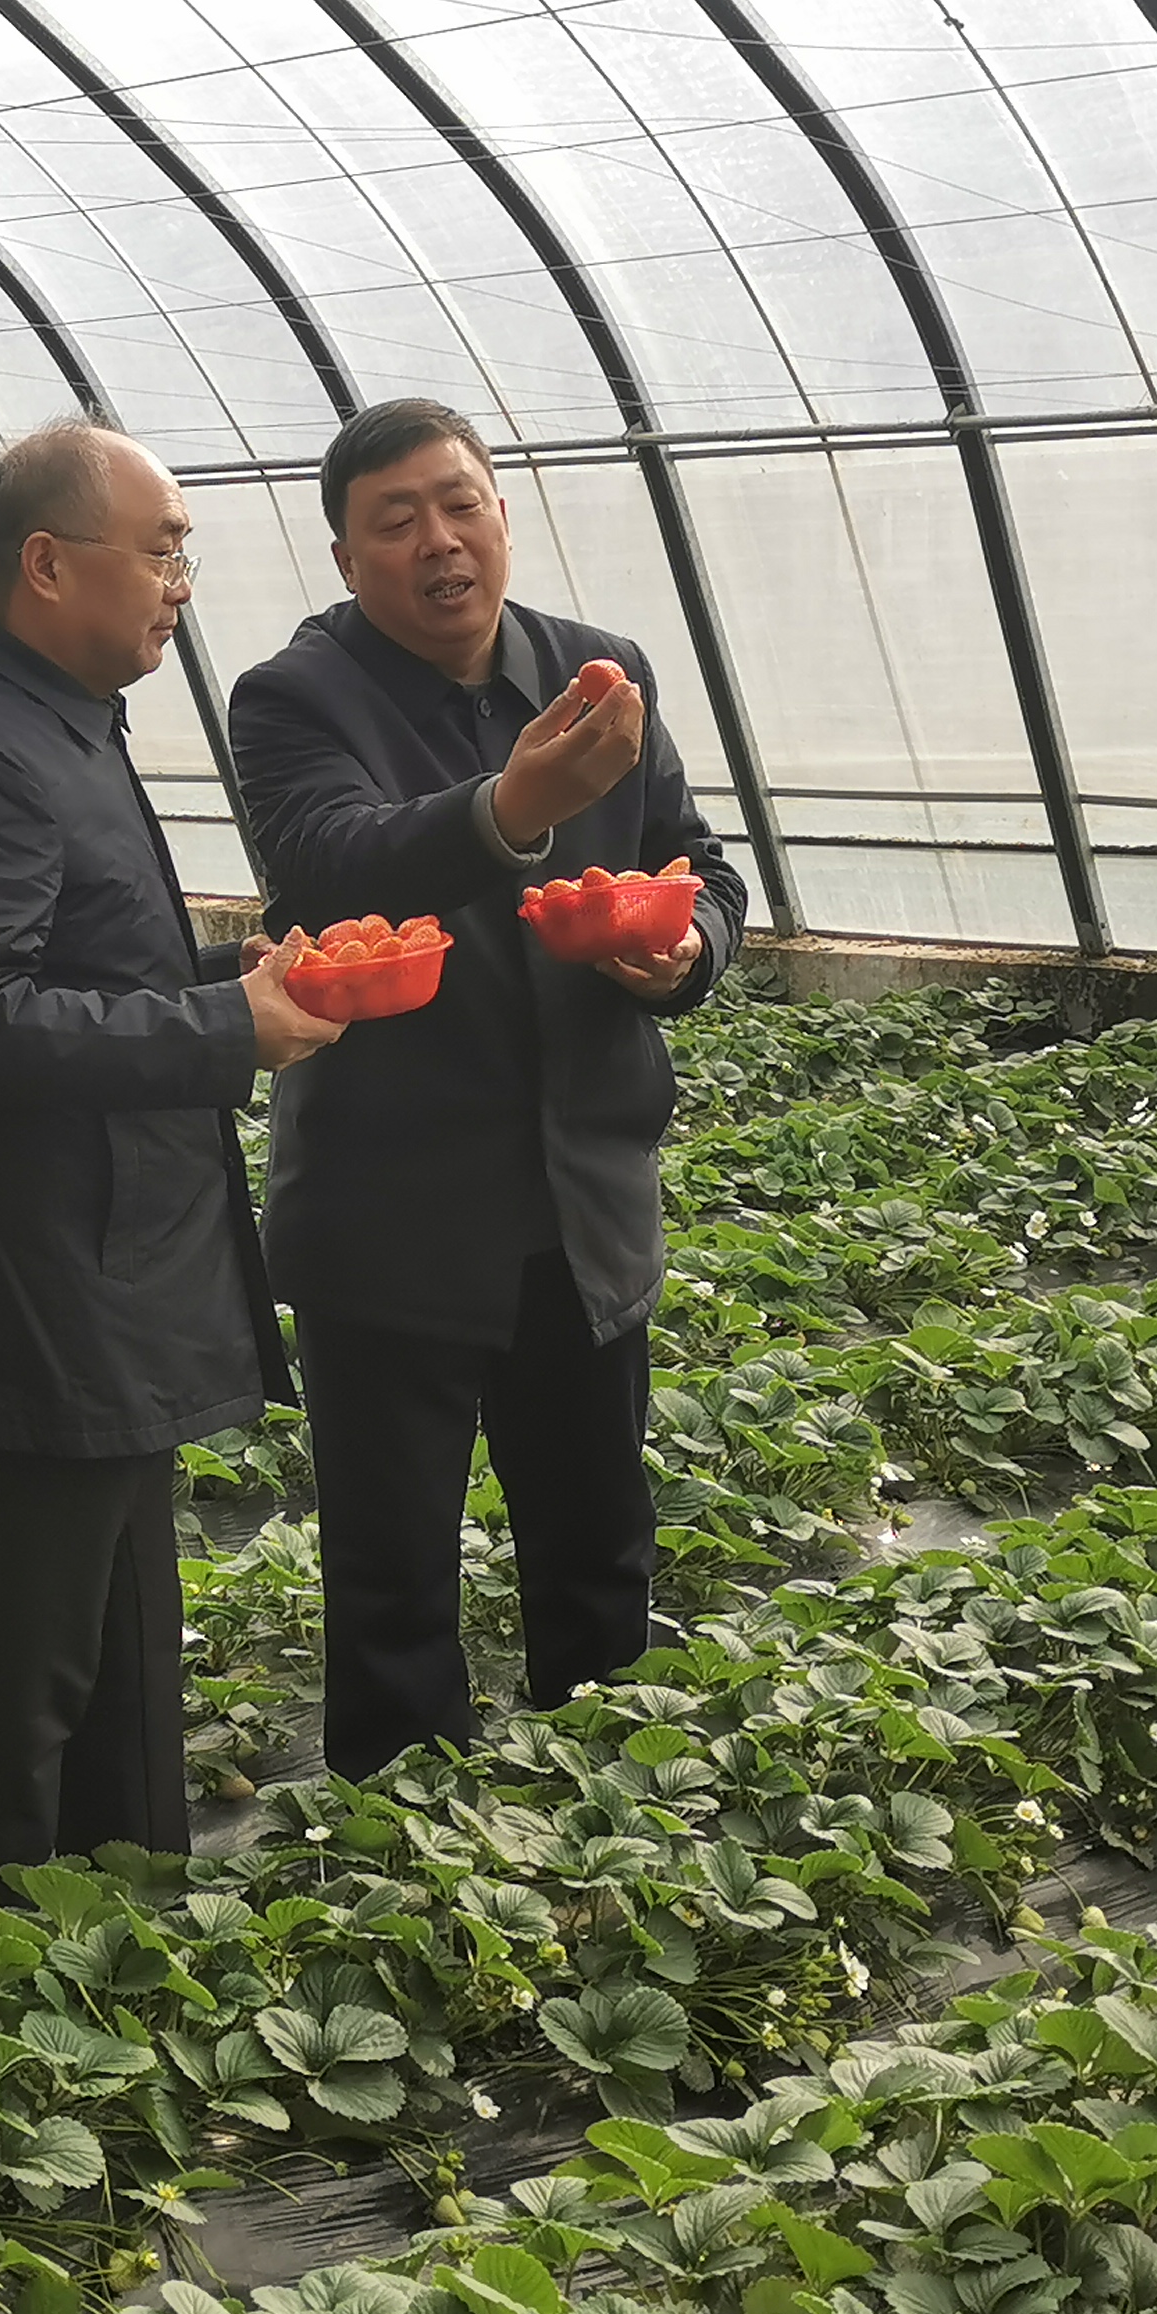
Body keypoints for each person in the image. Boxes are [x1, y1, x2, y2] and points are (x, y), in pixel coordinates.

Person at [0, 417, 346, 1926]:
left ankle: (120, 1924)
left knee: (121, 1636)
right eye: (162, 550)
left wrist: (222, 978)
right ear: (49, 565)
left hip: (105, 1268)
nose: (181, 581)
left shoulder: (58, 718)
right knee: (34, 1663)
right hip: (41, 1279)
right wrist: (224, 1028)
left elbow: (79, 965)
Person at [228, 399, 747, 1782]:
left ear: (503, 514)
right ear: (346, 558)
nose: (439, 542)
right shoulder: (294, 699)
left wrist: (686, 950)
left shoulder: (600, 672)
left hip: (583, 1198)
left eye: (461, 505)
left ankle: (610, 1808)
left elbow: (697, 861)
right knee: (394, 1577)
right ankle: (406, 1846)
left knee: (599, 1548)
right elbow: (331, 859)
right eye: (395, 521)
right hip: (393, 1211)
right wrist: (512, 808)